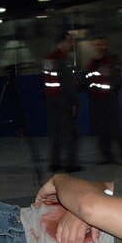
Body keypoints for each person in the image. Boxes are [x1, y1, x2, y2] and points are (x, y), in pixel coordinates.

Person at [85, 37, 122, 165]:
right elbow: (89, 80)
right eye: (97, 44)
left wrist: (111, 92)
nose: (99, 47)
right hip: (97, 101)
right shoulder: (92, 63)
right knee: (102, 130)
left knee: (115, 129)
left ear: (106, 45)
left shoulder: (112, 60)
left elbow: (117, 81)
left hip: (110, 101)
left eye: (102, 44)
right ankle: (106, 157)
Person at [43, 32, 81, 172]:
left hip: (51, 100)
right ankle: (70, 164)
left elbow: (45, 79)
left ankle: (55, 162)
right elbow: (68, 84)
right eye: (68, 42)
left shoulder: (48, 59)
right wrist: (75, 102)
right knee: (69, 133)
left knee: (55, 132)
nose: (70, 44)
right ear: (61, 43)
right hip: (63, 100)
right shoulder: (63, 59)